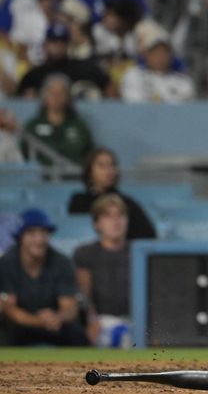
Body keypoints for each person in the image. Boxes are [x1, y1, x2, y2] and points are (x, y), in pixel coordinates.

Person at [0, 208, 88, 345]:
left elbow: (70, 307)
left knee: (78, 335)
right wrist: (38, 321)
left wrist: (57, 317)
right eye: (32, 233)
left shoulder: (61, 262)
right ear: (20, 237)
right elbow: (9, 309)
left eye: (43, 232)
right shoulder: (7, 262)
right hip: (20, 326)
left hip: (55, 324)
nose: (39, 239)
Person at [73, 194, 132, 347]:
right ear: (96, 224)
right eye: (108, 216)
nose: (116, 221)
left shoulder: (138, 252)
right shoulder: (84, 253)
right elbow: (84, 292)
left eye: (120, 215)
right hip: (101, 320)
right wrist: (91, 320)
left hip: (134, 319)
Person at [68, 147, 157, 240]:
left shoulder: (126, 203)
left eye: (112, 165)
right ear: (89, 171)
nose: (108, 170)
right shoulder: (79, 201)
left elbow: (148, 236)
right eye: (102, 165)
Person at [21, 73, 94, 166]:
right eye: (52, 91)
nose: (56, 96)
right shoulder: (33, 126)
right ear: (44, 96)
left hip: (73, 177)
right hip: (40, 178)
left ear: (68, 97)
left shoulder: (80, 126)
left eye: (61, 92)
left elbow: (90, 155)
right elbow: (23, 155)